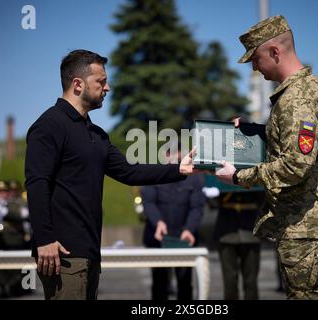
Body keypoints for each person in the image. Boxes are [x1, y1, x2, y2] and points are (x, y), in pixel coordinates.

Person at [25, 49, 196, 300]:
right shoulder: (49, 125)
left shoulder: (96, 134)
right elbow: (37, 183)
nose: (108, 87)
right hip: (62, 252)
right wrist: (45, 239)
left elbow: (129, 171)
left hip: (90, 251)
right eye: (101, 81)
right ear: (77, 84)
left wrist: (179, 169)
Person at [216, 15, 318, 299]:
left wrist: (239, 176)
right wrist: (255, 130)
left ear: (275, 52)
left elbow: (295, 164)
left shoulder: (296, 99)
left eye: (255, 58)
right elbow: (300, 146)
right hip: (313, 221)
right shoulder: (314, 87)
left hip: (304, 224)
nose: (253, 67)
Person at [141, 147, 206, 300]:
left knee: (184, 282)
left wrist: (189, 229)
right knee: (159, 282)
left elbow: (197, 206)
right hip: (158, 237)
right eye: (169, 152)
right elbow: (148, 202)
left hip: (184, 236)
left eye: (177, 152)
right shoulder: (154, 173)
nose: (173, 156)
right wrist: (158, 222)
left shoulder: (194, 178)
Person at [213, 189, 264, 300]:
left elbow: (263, 199)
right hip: (227, 232)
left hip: (250, 231)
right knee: (229, 279)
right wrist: (213, 194)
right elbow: (212, 204)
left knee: (251, 280)